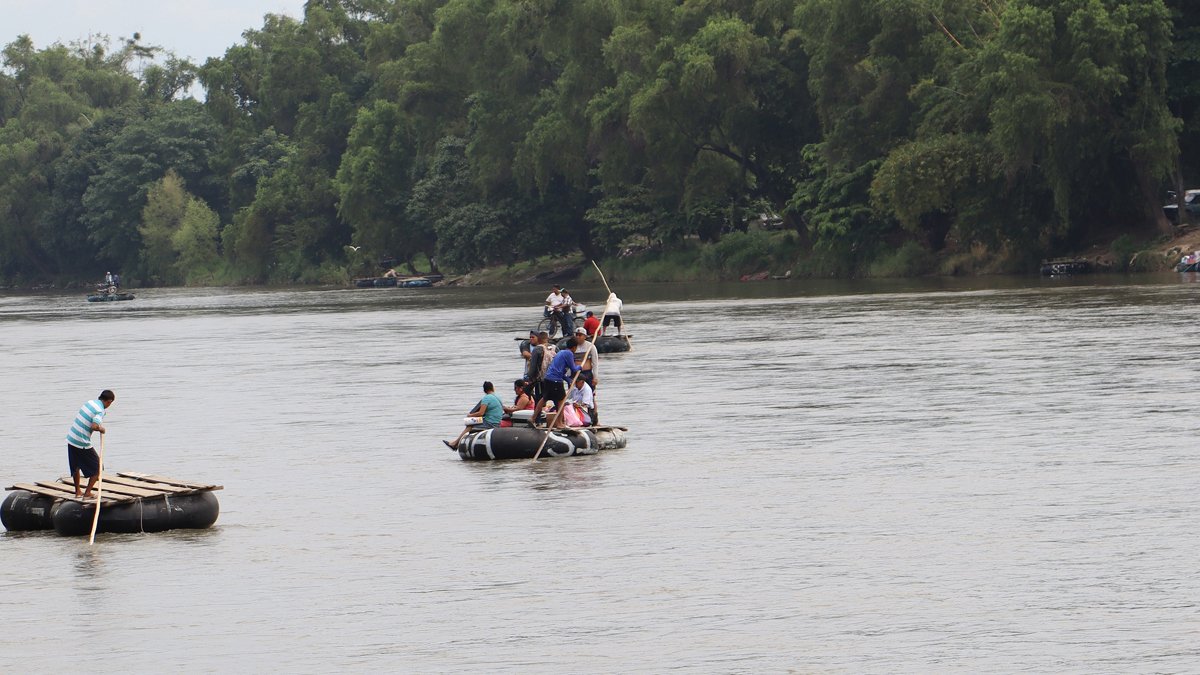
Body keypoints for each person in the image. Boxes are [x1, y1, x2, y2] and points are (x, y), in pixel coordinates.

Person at [67, 389, 115, 499]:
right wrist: (101, 429)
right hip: (81, 442)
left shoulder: (89, 402)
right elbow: (94, 426)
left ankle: (77, 492)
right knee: (98, 468)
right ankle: (87, 493)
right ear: (109, 401)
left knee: (76, 466)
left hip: (71, 437)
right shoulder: (100, 410)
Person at [533, 335, 582, 426]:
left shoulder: (561, 352)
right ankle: (559, 423)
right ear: (574, 347)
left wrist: (568, 380)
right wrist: (580, 367)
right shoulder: (569, 354)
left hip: (548, 378)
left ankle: (533, 418)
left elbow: (561, 372)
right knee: (561, 401)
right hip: (555, 380)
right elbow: (574, 369)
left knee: (544, 398)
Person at [444, 381, 504, 449]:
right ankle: (456, 443)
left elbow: (481, 413)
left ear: (484, 390)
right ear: (492, 388)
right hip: (497, 423)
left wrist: (470, 415)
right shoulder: (498, 397)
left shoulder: (486, 398)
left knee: (470, 424)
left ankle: (455, 443)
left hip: (490, 423)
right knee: (474, 421)